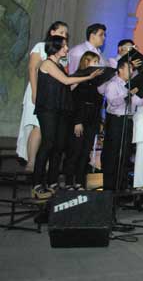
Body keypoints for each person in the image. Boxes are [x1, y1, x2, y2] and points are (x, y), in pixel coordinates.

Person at [32, 36, 102, 199]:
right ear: (55, 47)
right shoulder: (47, 63)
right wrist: (88, 76)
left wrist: (83, 79)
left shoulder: (59, 65)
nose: (66, 49)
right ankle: (36, 183)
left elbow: (68, 86)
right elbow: (65, 80)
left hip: (61, 110)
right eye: (63, 46)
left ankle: (52, 182)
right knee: (48, 143)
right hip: (48, 109)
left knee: (58, 146)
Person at [16, 21, 68, 172]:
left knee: (48, 130)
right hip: (38, 90)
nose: (64, 36)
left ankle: (42, 160)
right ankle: (32, 161)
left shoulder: (63, 52)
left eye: (66, 34)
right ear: (52, 32)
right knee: (38, 127)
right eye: (61, 32)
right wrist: (35, 92)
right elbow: (32, 69)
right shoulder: (40, 46)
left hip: (53, 96)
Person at [103, 59, 143, 191]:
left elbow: (138, 102)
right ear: (120, 69)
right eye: (129, 69)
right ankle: (110, 188)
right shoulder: (113, 84)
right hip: (116, 120)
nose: (132, 72)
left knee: (126, 153)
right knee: (113, 153)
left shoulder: (130, 85)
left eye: (132, 69)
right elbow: (113, 102)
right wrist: (128, 93)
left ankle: (122, 186)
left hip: (128, 120)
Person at [63, 51, 104, 190]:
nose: (97, 65)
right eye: (94, 62)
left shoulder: (96, 82)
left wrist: (99, 122)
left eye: (97, 62)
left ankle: (80, 181)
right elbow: (75, 101)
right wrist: (77, 121)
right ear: (86, 62)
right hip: (79, 118)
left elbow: (98, 102)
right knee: (75, 151)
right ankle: (69, 182)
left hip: (92, 119)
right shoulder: (78, 77)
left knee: (85, 152)